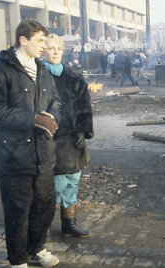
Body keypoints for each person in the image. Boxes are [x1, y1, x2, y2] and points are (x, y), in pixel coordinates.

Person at [0, 19, 61, 268]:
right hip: (14, 155)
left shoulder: (42, 69)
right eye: (40, 41)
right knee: (18, 211)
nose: (44, 46)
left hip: (43, 154)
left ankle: (37, 248)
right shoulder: (2, 70)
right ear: (23, 40)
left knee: (44, 206)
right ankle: (18, 259)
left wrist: (53, 115)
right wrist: (33, 119)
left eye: (45, 41)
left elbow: (56, 100)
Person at [43, 33, 94, 239]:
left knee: (72, 181)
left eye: (58, 48)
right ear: (42, 50)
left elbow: (84, 108)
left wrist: (83, 131)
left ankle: (69, 224)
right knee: (53, 185)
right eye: (50, 48)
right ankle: (42, 226)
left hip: (72, 141)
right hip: (49, 141)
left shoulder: (73, 76)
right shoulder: (37, 76)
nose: (55, 52)